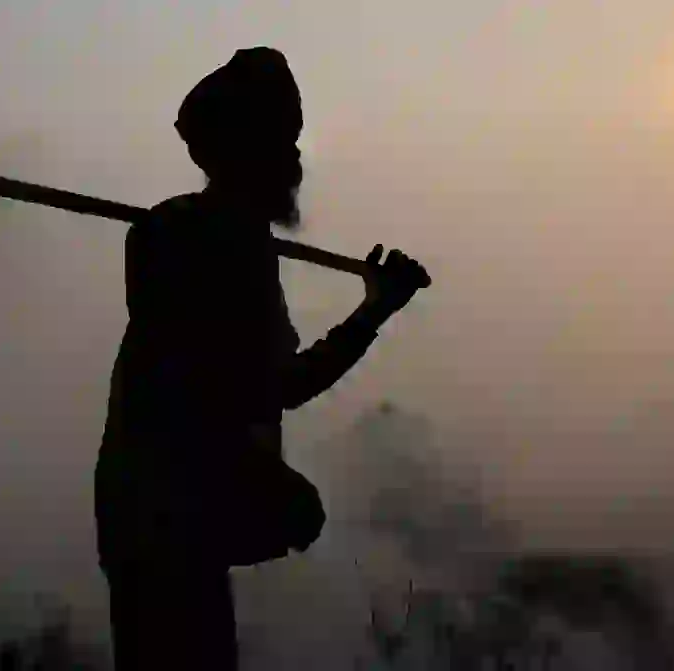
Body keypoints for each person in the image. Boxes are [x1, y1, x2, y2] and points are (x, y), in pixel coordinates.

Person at [93, 46, 431, 670]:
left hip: (165, 514)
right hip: (165, 518)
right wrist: (375, 311)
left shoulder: (213, 237)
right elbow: (279, 386)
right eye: (284, 144)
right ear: (248, 154)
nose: (297, 160)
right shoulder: (196, 241)